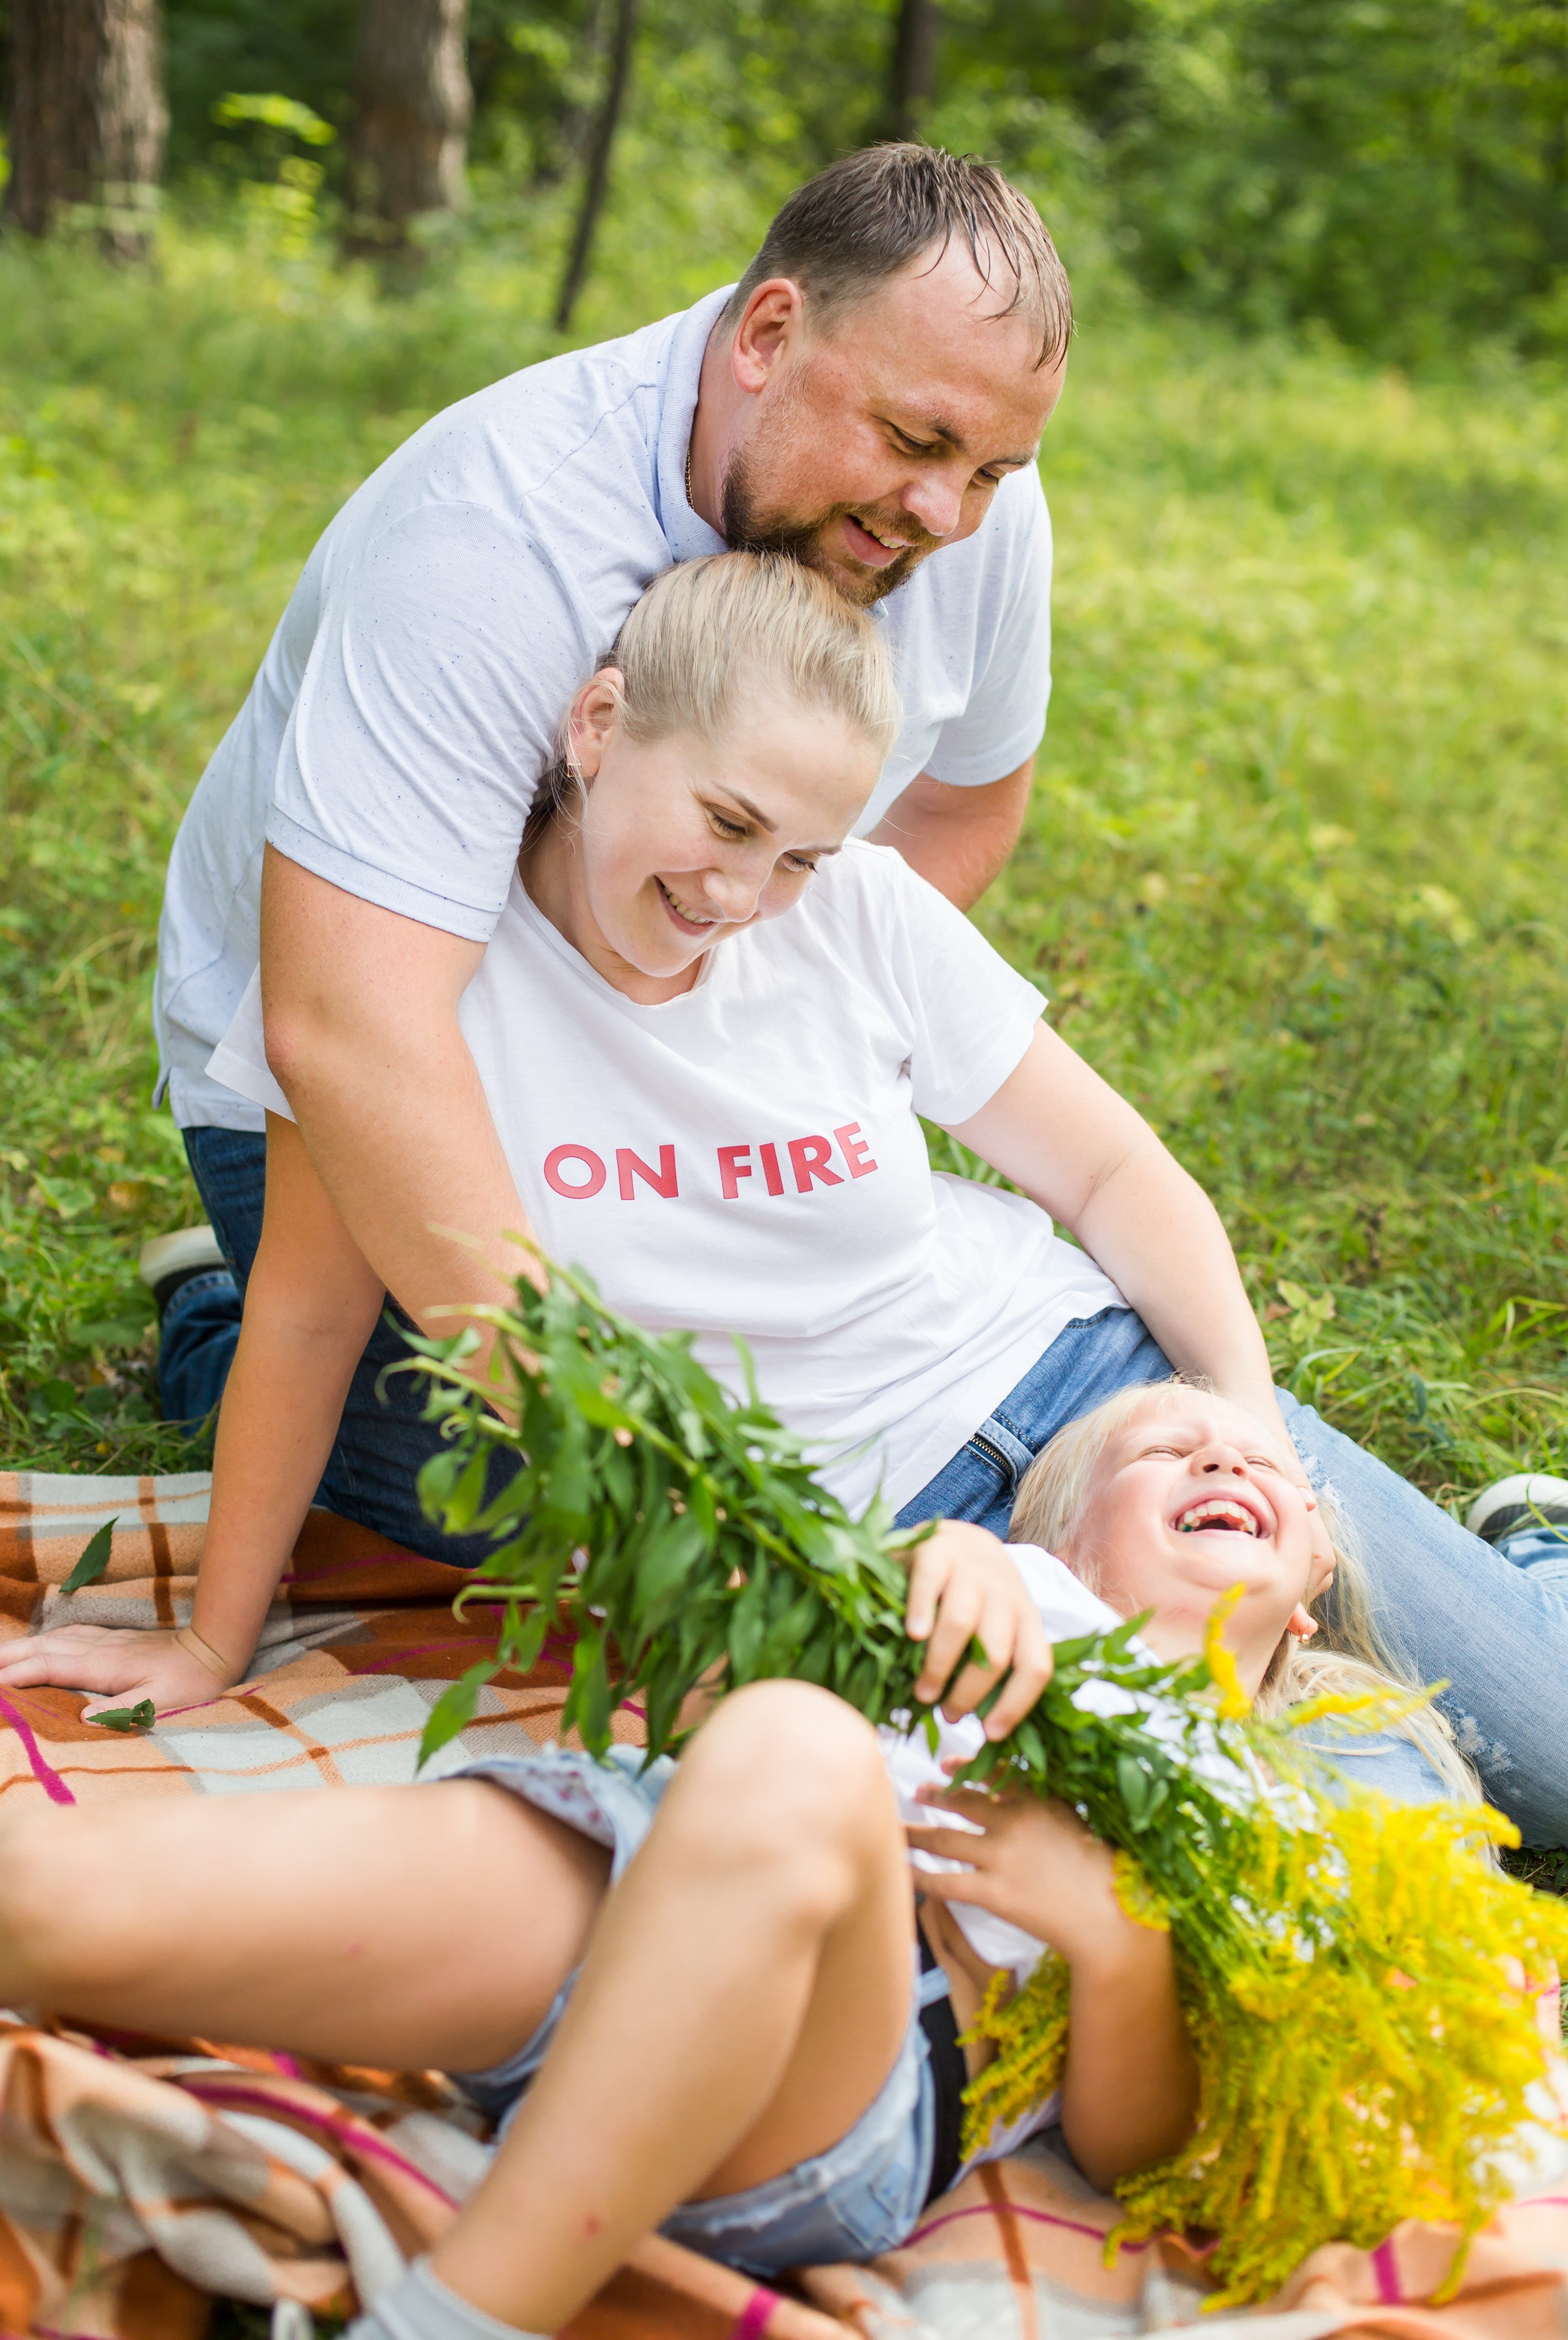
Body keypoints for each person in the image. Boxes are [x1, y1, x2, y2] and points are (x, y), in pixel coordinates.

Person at [11, 548, 1542, 1829]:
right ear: (599, 723)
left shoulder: (858, 915)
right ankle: (189, 1303)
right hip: (845, 1554)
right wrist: (217, 1638)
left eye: (800, 855)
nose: (741, 903)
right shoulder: (416, 977)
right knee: (1239, 1839)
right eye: (727, 824)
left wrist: (1243, 1428)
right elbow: (315, 1318)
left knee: (1527, 1764)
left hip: (1096, 1398)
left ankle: (1525, 1552)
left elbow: (1111, 1168)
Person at [0, 1381, 1470, 2340]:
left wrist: (1114, 1940)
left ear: (1311, 1584)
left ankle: (456, 2317)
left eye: (1256, 1459)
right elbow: (696, 1693)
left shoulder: (1278, 1803)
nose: (1217, 1453)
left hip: (858, 2059)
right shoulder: (995, 1597)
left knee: (802, 1753)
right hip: (624, 1870)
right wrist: (914, 1570)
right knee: (51, 1893)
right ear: (1062, 1537)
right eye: (1161, 1445)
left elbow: (1142, 2154)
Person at [145, 139, 1071, 1487]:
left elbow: (962, 804)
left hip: (661, 1050)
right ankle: (217, 1324)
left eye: (990, 468)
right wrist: (612, 1459)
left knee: (800, 1402)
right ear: (765, 334)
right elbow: (347, 1031)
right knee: (533, 1498)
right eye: (913, 441)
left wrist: (754, 1044)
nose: (944, 510)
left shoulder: (959, 510)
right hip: (350, 1063)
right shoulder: (488, 541)